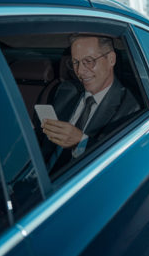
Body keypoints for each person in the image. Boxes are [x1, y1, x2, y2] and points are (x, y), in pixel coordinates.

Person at [41, 34, 140, 174]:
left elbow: (121, 163)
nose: (80, 71)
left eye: (89, 61)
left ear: (111, 59)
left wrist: (80, 142)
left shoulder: (131, 107)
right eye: (75, 62)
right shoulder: (65, 90)